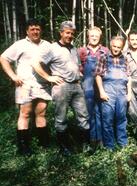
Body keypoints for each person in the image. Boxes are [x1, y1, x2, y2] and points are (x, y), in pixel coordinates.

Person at [32, 21, 92, 156]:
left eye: (72, 33)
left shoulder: (73, 48)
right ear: (61, 33)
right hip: (62, 87)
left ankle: (85, 145)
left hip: (77, 86)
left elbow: (75, 66)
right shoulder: (52, 48)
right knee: (61, 118)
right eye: (67, 33)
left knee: (83, 116)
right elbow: (35, 63)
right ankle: (64, 148)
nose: (70, 35)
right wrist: (49, 77)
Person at [0, 19, 51, 156]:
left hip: (43, 85)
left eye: (38, 29)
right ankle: (23, 147)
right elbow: (3, 58)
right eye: (32, 29)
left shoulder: (47, 45)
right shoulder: (20, 44)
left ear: (41, 30)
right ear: (27, 31)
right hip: (25, 84)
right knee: (25, 113)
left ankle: (43, 143)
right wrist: (13, 76)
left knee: (41, 113)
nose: (35, 31)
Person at [95, 36, 131, 150]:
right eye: (114, 46)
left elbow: (129, 77)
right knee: (107, 119)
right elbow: (98, 75)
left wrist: (129, 93)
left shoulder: (125, 58)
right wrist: (101, 91)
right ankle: (109, 146)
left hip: (121, 92)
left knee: (122, 118)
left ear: (121, 48)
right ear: (111, 45)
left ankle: (123, 144)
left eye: (119, 47)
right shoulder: (104, 57)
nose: (116, 49)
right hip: (108, 91)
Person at [78, 27, 109, 149]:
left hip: (102, 85)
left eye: (96, 36)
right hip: (88, 86)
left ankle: (101, 140)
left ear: (100, 37)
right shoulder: (82, 51)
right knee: (89, 113)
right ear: (88, 37)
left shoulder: (106, 51)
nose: (94, 38)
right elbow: (77, 67)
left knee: (101, 112)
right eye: (92, 36)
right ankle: (91, 140)